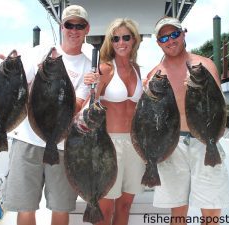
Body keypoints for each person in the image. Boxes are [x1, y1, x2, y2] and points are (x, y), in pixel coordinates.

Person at [1, 5, 95, 225]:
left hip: (62, 145)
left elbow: (78, 105)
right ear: (61, 26)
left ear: (86, 28)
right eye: (69, 24)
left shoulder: (88, 67)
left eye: (79, 25)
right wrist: (8, 68)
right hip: (27, 140)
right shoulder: (39, 53)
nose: (74, 30)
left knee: (60, 208)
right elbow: (20, 85)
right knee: (25, 208)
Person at [145, 16, 229, 225]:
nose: (170, 40)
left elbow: (219, 108)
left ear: (183, 33)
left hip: (205, 143)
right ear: (158, 42)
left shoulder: (205, 65)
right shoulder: (154, 75)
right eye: (164, 37)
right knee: (177, 211)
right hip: (172, 144)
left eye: (174, 34)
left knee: (211, 210)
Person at [84, 18, 145, 225]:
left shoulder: (137, 69)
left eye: (126, 37)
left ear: (134, 39)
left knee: (126, 205)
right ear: (110, 41)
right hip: (108, 144)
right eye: (115, 38)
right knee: (105, 206)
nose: (121, 42)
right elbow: (87, 106)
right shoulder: (105, 69)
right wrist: (93, 84)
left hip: (136, 145)